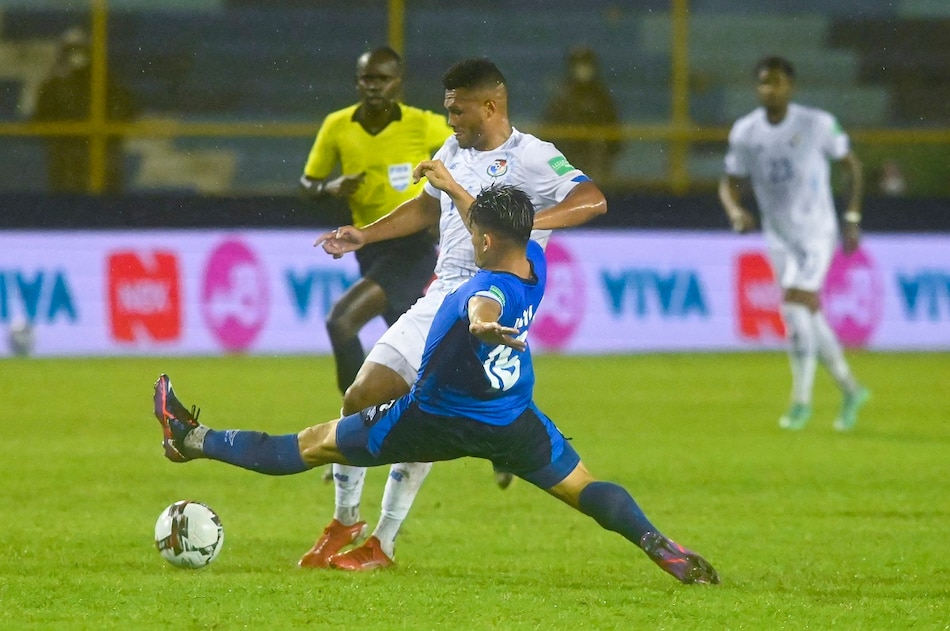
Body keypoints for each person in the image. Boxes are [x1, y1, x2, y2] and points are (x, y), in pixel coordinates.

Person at [150, 183, 720, 586]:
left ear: (487, 241)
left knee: (310, 443)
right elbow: (492, 244)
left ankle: (192, 439)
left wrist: (481, 324)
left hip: (433, 420)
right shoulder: (535, 265)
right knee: (586, 489)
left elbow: (481, 302)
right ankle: (658, 545)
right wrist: (451, 187)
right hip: (512, 422)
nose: (470, 236)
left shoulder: (488, 286)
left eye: (475, 231)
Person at [305, 57, 608, 571]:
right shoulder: (454, 150)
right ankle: (345, 518)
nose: (451, 121)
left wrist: (527, 226)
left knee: (429, 416)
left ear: (490, 106)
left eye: (459, 111)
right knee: (360, 395)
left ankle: (384, 541)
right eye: (448, 111)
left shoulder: (534, 157)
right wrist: (367, 233)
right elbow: (427, 208)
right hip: (439, 296)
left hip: (489, 301)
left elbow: (593, 199)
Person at [718, 55, 871, 432]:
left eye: (777, 82)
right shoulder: (746, 131)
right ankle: (850, 388)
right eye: (764, 83)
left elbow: (851, 165)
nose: (770, 89)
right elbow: (729, 180)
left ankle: (800, 402)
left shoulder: (816, 124)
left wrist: (852, 217)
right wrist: (735, 210)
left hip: (817, 232)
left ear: (791, 86)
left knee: (794, 305)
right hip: (779, 236)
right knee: (807, 314)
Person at [299, 46, 450, 399]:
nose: (374, 85)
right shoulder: (337, 126)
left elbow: (467, 155)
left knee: (341, 322)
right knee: (413, 359)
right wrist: (328, 187)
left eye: (383, 78)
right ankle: (441, 419)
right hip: (368, 246)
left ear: (398, 82)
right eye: (367, 78)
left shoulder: (423, 124)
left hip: (412, 247)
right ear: (357, 81)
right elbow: (307, 185)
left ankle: (355, 418)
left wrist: (444, 206)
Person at [32, 27, 137, 194]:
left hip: (101, 150)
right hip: (67, 153)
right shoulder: (52, 86)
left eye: (80, 49)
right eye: (70, 49)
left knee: (104, 190)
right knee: (67, 191)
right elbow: (40, 118)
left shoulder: (106, 82)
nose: (76, 55)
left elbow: (126, 109)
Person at [540, 46, 621, 184]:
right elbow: (548, 129)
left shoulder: (601, 95)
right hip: (567, 155)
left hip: (595, 158)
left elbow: (614, 129)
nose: (582, 68)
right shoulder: (562, 95)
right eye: (578, 63)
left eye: (586, 63)